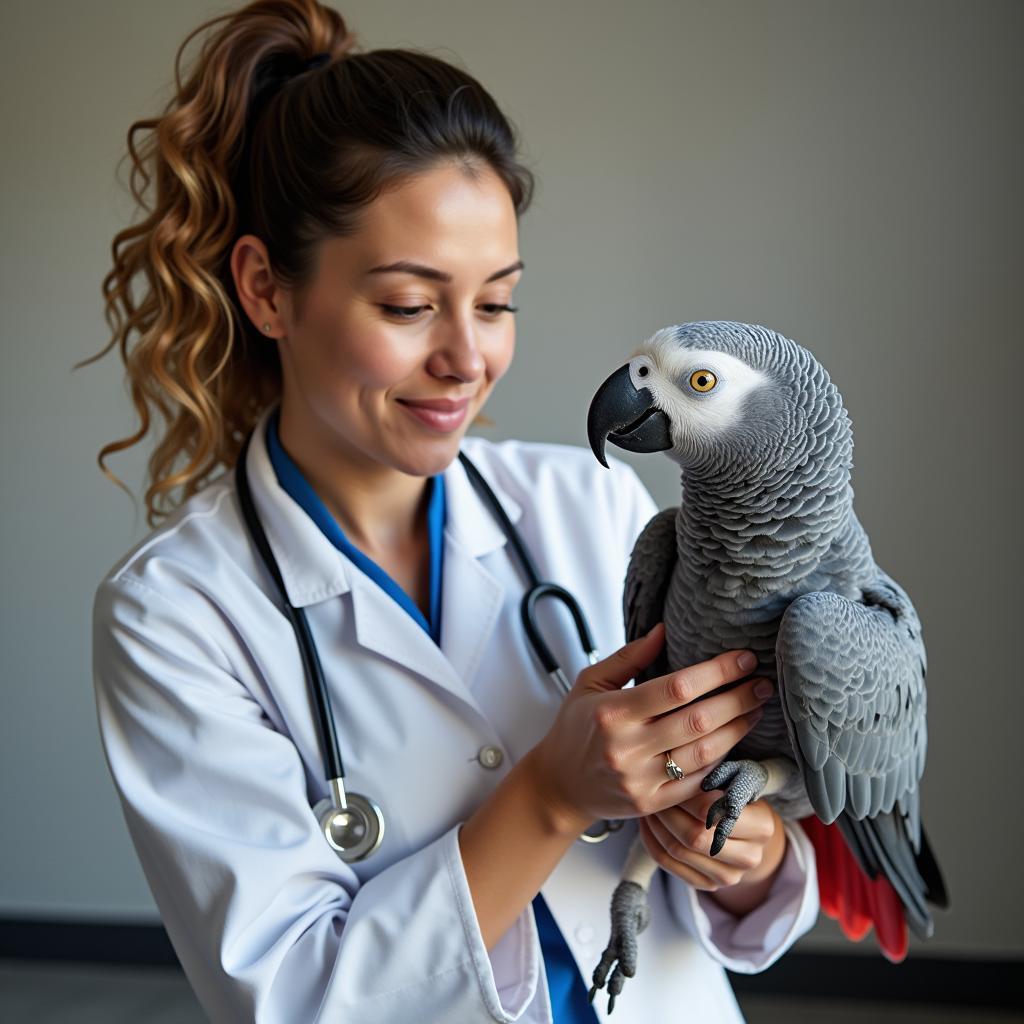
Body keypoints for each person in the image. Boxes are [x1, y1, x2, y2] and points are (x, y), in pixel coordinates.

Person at [89, 1, 819, 1020]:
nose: (466, 359)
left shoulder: (589, 499)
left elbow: (743, 893)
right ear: (264, 289)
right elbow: (292, 998)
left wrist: (747, 851)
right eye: (406, 304)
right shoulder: (175, 613)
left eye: (495, 301)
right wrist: (550, 794)